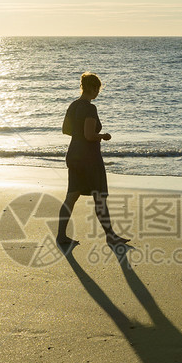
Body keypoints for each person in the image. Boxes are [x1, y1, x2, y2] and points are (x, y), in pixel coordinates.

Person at [56, 72, 130, 255]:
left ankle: (61, 235)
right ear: (93, 88)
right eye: (98, 88)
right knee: (100, 197)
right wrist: (103, 136)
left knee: (71, 197)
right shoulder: (90, 108)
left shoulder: (73, 105)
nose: (98, 92)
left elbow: (66, 130)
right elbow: (89, 135)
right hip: (89, 158)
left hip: (74, 154)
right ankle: (110, 236)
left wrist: (80, 135)